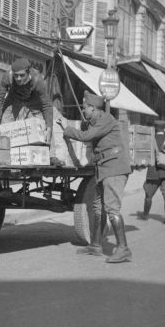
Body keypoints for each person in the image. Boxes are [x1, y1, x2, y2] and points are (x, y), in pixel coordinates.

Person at [56, 91, 133, 263]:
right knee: (98, 207)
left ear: (93, 108)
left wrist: (67, 129)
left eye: (85, 109)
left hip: (114, 168)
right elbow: (88, 130)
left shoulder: (106, 120)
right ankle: (96, 244)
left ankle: (123, 248)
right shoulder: (97, 120)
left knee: (112, 209)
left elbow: (87, 136)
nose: (83, 111)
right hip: (104, 169)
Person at [0, 57, 53, 144]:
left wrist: (49, 127)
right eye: (16, 75)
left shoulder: (37, 80)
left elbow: (46, 104)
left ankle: (50, 155)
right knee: (4, 126)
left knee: (42, 128)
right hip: (13, 99)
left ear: (28, 72)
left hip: (34, 101)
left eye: (22, 75)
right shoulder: (7, 76)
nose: (18, 78)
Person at [139, 119, 165, 225]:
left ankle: (146, 215)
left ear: (154, 129)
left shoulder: (149, 140)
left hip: (153, 173)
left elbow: (144, 157)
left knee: (148, 195)